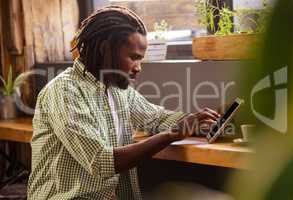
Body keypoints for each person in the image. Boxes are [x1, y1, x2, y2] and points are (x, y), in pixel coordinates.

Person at [27, 5, 220, 200]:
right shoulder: (64, 92)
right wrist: (172, 134)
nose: (138, 68)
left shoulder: (118, 90)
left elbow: (157, 119)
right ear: (105, 49)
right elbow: (101, 162)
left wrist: (202, 121)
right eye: (133, 58)